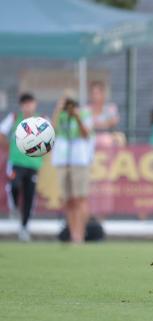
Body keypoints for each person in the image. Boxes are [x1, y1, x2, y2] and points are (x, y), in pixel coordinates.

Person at [0, 93, 43, 241]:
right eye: (25, 103)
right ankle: (14, 207)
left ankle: (24, 228)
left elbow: (50, 136)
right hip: (16, 163)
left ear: (35, 104)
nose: (28, 106)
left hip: (33, 164)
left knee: (30, 195)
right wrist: (9, 146)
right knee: (14, 185)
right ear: (21, 105)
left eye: (30, 103)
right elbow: (1, 133)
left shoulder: (41, 121)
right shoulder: (13, 118)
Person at [51, 97, 94, 244]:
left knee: (80, 199)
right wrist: (58, 109)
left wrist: (77, 117)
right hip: (63, 160)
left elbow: (86, 133)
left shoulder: (84, 114)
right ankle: (73, 234)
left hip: (79, 160)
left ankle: (80, 235)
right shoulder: (60, 115)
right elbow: (51, 131)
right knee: (68, 200)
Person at [87, 81, 120, 147]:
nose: (94, 96)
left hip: (106, 140)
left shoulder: (110, 108)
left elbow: (114, 121)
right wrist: (105, 123)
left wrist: (96, 125)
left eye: (97, 93)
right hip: (90, 139)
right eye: (92, 93)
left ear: (102, 94)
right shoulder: (86, 109)